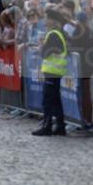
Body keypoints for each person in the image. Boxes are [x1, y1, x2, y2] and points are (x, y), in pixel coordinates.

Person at [31, 7, 69, 136]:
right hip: (55, 71)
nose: (44, 20)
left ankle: (47, 127)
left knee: (48, 100)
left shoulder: (53, 34)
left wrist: (41, 45)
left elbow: (45, 53)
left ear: (52, 20)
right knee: (56, 100)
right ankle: (60, 126)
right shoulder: (59, 32)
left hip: (53, 71)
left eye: (46, 18)